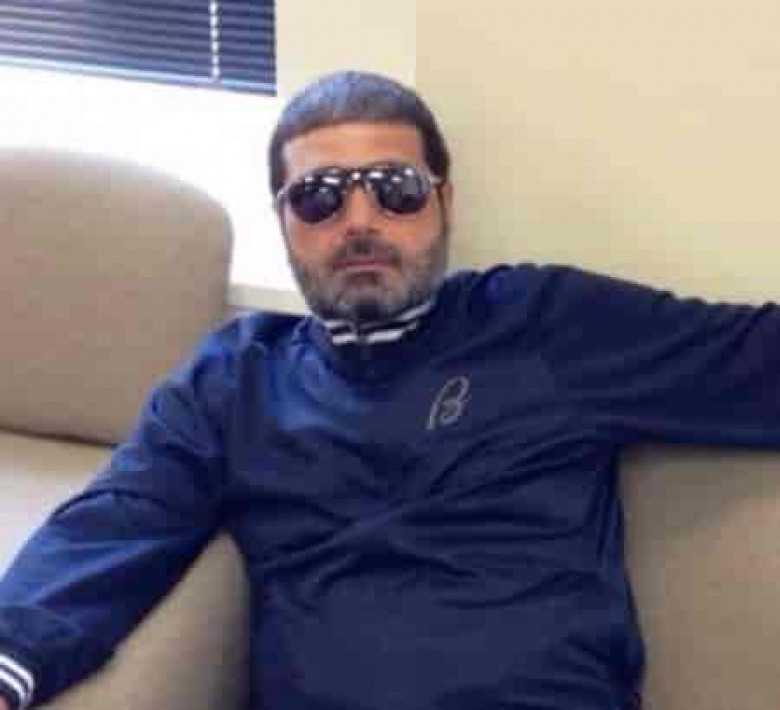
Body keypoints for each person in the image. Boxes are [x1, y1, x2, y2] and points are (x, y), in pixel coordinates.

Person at [1, 70, 780, 710]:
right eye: (319, 197)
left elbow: (752, 361)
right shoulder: (236, 380)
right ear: (284, 220)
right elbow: (114, 524)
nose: (359, 221)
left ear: (444, 201)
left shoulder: (547, 324)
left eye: (395, 189)